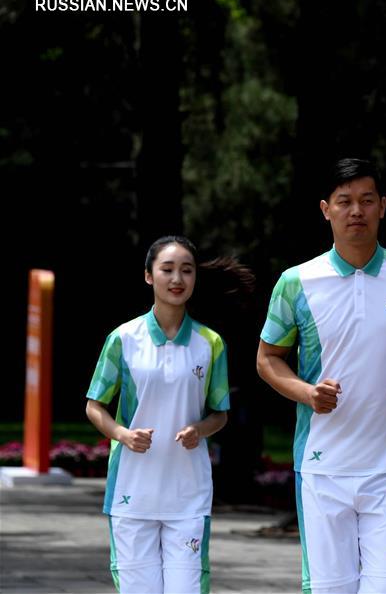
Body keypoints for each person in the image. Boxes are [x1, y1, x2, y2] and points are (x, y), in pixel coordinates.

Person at [256, 158, 386, 594]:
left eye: (366, 200)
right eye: (344, 202)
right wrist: (307, 393)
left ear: (382, 206)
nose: (356, 211)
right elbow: (267, 357)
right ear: (326, 209)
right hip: (323, 468)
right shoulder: (297, 281)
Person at [85, 235, 230, 594]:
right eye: (167, 270)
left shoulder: (210, 343)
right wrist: (122, 434)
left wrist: (200, 429)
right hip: (132, 493)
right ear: (149, 276)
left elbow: (220, 413)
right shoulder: (124, 338)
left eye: (186, 271)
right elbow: (94, 406)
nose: (177, 279)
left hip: (188, 494)